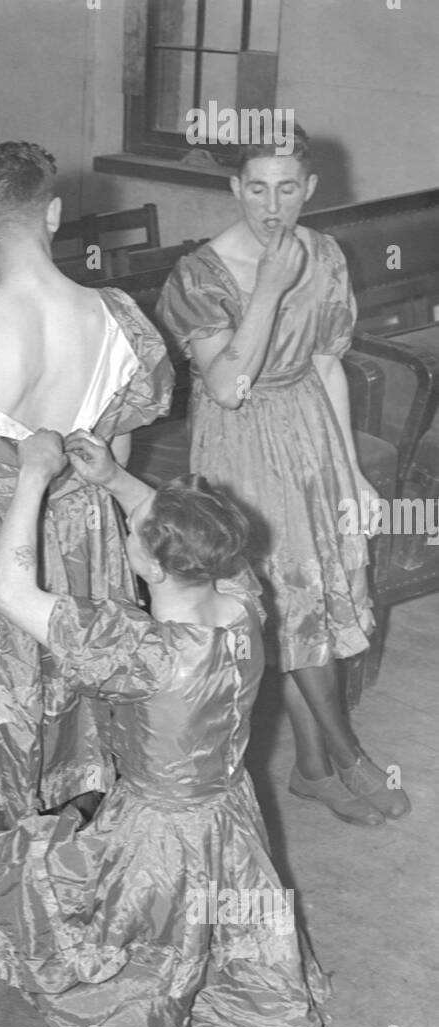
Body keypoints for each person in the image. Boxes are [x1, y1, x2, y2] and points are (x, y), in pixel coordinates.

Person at [0, 430, 334, 1027]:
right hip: (227, 812)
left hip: (157, 828)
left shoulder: (143, 648)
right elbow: (197, 543)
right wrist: (116, 480)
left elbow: (8, 596)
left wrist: (34, 475)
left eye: (136, 533)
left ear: (148, 565)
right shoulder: (242, 602)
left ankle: (150, 994)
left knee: (108, 920)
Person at [0, 142, 173, 828]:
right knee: (75, 675)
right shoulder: (114, 314)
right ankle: (78, 827)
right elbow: (114, 452)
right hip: (83, 531)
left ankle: (9, 839)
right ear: (54, 212)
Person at [157, 129, 408, 826]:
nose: (273, 205)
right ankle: (347, 752)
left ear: (311, 189)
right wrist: (266, 288)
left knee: (314, 611)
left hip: (308, 439)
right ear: (234, 189)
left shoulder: (325, 255)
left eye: (288, 188)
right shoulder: (199, 277)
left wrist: (351, 472)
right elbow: (229, 385)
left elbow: (327, 365)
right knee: (288, 606)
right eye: (258, 188)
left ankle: (312, 769)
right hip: (239, 449)